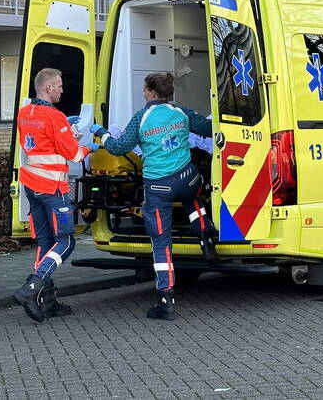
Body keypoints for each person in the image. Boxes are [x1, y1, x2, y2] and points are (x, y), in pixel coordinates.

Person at [94, 72, 215, 321]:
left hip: (159, 188)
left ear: (149, 92)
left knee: (161, 243)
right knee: (194, 197)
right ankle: (205, 237)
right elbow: (208, 128)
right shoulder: (181, 112)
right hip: (188, 179)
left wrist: (101, 132)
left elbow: (118, 147)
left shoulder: (141, 118)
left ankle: (165, 300)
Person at [11, 68, 99, 322]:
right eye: (59, 86)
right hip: (53, 188)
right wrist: (92, 145)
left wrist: (66, 132)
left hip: (32, 186)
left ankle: (46, 301)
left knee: (46, 242)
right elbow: (74, 155)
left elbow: (40, 143)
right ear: (48, 88)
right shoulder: (55, 117)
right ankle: (32, 287)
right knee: (66, 241)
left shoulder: (25, 112)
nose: (62, 89)